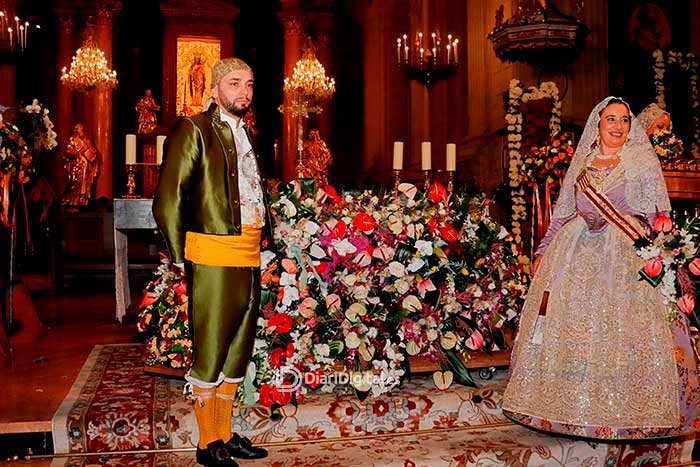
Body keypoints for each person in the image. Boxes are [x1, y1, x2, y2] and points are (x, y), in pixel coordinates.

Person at [502, 96, 700, 440]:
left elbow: (658, 217)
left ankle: (624, 409)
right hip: (574, 250)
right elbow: (562, 215)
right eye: (611, 119)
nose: (618, 126)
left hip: (625, 254)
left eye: (624, 120)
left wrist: (666, 254)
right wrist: (543, 251)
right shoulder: (583, 164)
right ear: (598, 124)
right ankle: (566, 408)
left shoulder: (640, 163)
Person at [153, 58, 270, 466]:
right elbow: (168, 198)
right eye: (235, 83)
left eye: (249, 84)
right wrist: (178, 254)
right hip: (212, 253)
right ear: (215, 89)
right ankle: (207, 444)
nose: (244, 92)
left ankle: (224, 433)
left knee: (238, 350)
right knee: (211, 348)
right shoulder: (194, 129)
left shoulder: (248, 134)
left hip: (249, 252)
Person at [63, 123, 99, 206]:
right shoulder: (73, 139)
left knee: (85, 179)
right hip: (76, 164)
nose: (79, 131)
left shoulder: (86, 139)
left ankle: (83, 196)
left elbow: (93, 150)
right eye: (78, 129)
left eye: (80, 129)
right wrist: (78, 152)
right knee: (75, 182)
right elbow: (68, 150)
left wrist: (89, 152)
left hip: (85, 165)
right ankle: (74, 197)